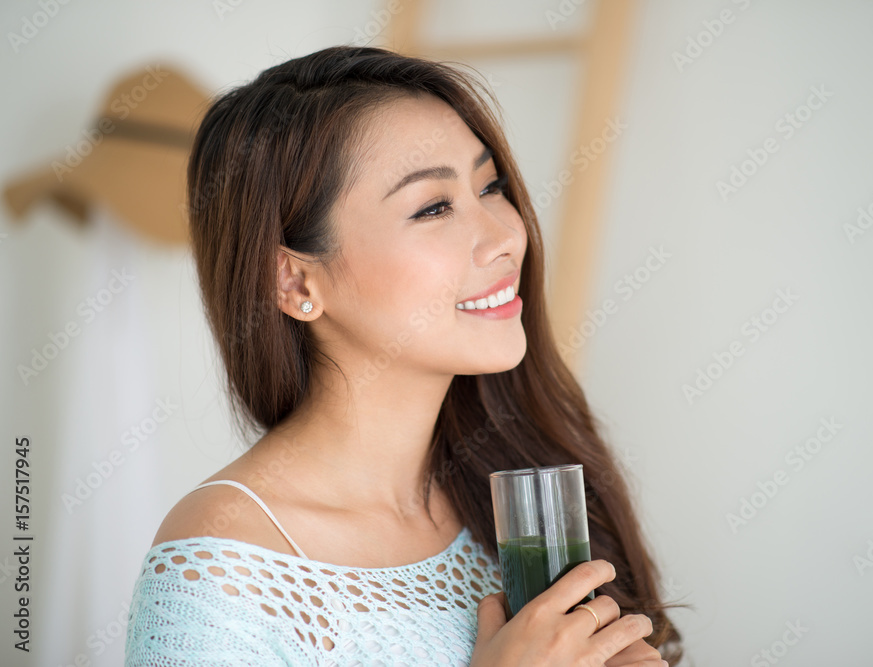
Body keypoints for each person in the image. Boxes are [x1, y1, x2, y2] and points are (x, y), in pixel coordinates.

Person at [123, 44, 683, 666]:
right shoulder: (221, 567)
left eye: (490, 185)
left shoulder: (524, 488)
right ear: (295, 282)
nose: (505, 236)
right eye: (434, 207)